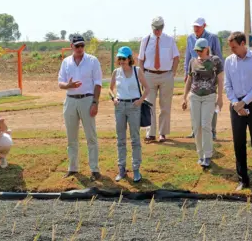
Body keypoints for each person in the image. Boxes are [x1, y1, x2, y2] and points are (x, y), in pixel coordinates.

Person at [224, 32, 252, 194]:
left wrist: (244, 102)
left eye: (234, 47)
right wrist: (236, 103)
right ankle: (243, 179)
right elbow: (227, 85)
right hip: (236, 105)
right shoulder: (229, 61)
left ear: (243, 44)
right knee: (238, 143)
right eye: (230, 47)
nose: (232, 50)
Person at [58, 34, 102, 181]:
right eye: (77, 46)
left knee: (91, 136)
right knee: (71, 137)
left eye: (82, 45)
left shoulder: (92, 61)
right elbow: (60, 83)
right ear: (71, 46)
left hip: (87, 100)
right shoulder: (66, 62)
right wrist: (68, 85)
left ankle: (94, 170)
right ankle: (73, 168)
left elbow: (98, 83)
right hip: (70, 101)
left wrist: (95, 102)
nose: (80, 48)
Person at [109, 46, 149, 182]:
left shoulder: (137, 71)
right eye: (119, 58)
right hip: (120, 106)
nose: (121, 61)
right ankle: (121, 169)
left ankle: (136, 169)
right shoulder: (116, 72)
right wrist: (113, 98)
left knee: (135, 139)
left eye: (124, 58)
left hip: (133, 106)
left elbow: (147, 88)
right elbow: (110, 89)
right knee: (120, 139)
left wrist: (140, 100)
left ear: (130, 59)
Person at [182, 39, 224, 168]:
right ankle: (200, 155)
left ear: (207, 48)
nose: (198, 52)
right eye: (197, 50)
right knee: (197, 127)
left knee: (206, 125)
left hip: (209, 96)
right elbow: (189, 80)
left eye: (200, 50)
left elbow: (220, 80)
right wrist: (184, 97)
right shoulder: (192, 62)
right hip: (194, 96)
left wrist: (220, 98)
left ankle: (207, 155)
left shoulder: (215, 60)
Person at [138, 16, 180, 143]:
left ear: (163, 27)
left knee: (165, 106)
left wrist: (172, 73)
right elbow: (140, 59)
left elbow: (176, 57)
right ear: (152, 27)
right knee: (149, 105)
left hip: (166, 75)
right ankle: (150, 133)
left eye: (160, 28)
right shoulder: (145, 40)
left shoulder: (169, 40)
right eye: (156, 28)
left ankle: (163, 133)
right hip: (149, 75)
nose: (158, 31)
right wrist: (142, 76)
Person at [185, 18, 224, 140]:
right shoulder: (190, 38)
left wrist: (219, 74)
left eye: (198, 26)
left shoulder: (212, 37)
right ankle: (195, 130)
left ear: (204, 26)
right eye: (194, 27)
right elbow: (188, 56)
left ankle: (212, 131)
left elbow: (218, 55)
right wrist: (187, 72)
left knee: (210, 101)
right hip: (195, 73)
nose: (196, 29)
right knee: (194, 101)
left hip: (210, 74)